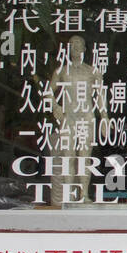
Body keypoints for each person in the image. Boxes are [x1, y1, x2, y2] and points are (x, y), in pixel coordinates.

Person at [47, 35, 106, 207]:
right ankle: (68, 195)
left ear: (85, 48)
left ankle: (84, 194)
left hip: (86, 116)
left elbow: (100, 96)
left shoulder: (93, 71)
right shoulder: (62, 71)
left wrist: (105, 117)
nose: (76, 47)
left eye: (79, 43)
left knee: (84, 157)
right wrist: (55, 107)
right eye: (72, 44)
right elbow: (48, 92)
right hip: (69, 117)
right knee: (68, 156)